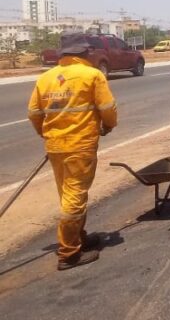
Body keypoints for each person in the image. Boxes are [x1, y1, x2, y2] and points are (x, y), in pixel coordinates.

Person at [27, 34, 118, 270]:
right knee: (75, 196)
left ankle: (79, 237)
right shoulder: (92, 75)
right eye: (88, 51)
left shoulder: (45, 78)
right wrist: (108, 125)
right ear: (83, 53)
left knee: (68, 194)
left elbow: (34, 113)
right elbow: (107, 108)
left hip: (56, 146)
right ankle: (69, 253)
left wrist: (47, 134)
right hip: (80, 145)